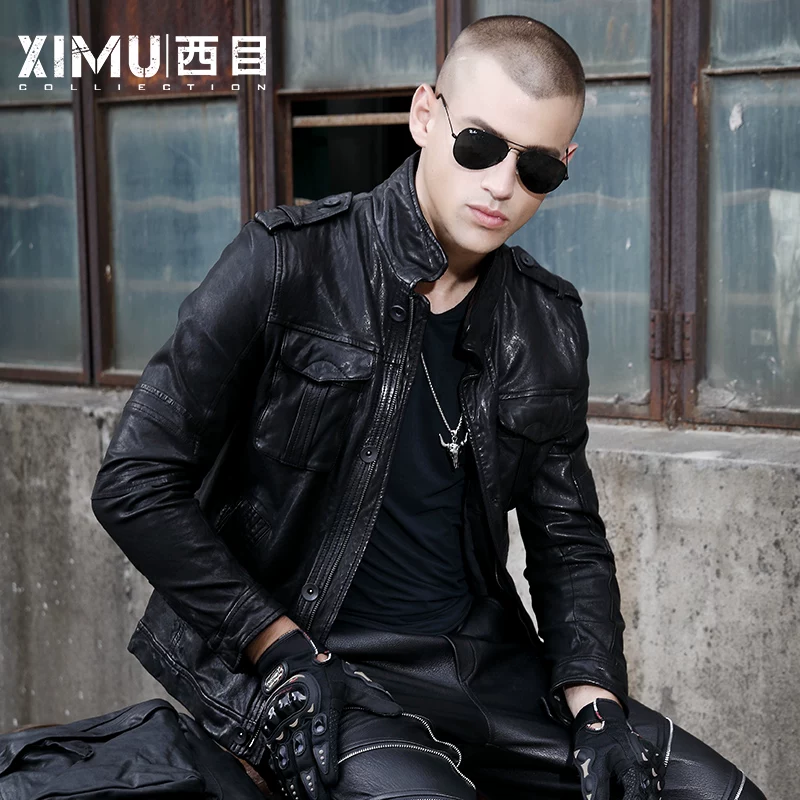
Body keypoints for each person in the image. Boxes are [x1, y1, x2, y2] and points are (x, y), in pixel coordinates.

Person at [91, 15, 767, 800]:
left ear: (564, 164)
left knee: (717, 794)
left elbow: (567, 537)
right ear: (423, 115)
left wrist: (596, 703)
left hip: (487, 669)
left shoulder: (545, 320)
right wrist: (274, 644)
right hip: (316, 664)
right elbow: (134, 480)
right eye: (479, 145)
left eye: (536, 167)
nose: (502, 185)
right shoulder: (286, 264)